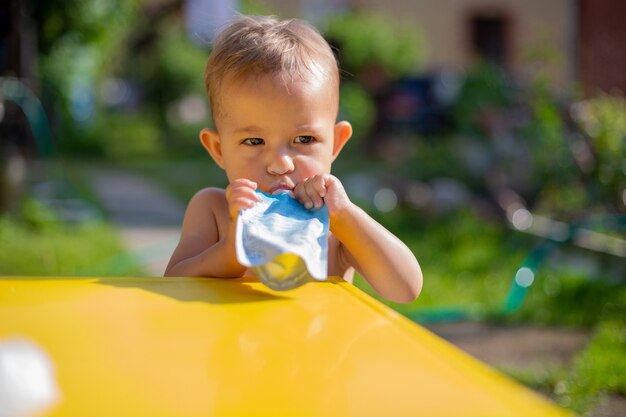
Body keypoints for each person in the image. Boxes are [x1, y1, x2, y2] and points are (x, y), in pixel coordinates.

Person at [165, 15, 422, 303]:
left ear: (335, 143)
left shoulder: (334, 226)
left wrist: (346, 216)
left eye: (303, 140)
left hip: (320, 347)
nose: (280, 164)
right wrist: (232, 252)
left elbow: (406, 289)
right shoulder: (213, 210)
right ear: (218, 150)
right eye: (254, 141)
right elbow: (172, 283)